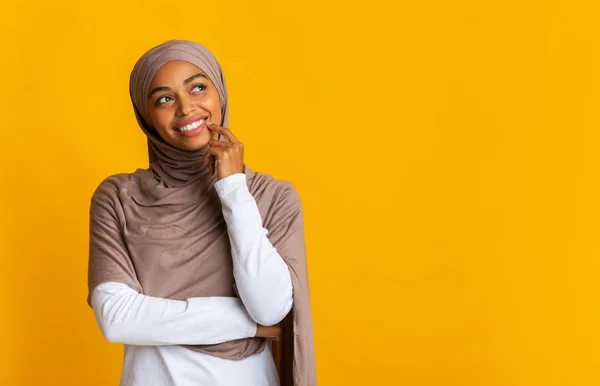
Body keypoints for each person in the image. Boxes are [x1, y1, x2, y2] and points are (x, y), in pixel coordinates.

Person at [86, 39, 316, 386]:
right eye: (164, 98)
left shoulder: (272, 197)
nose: (186, 108)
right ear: (146, 117)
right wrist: (249, 325)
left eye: (197, 87)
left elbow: (269, 308)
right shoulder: (119, 197)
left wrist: (234, 190)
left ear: (219, 92)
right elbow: (116, 317)